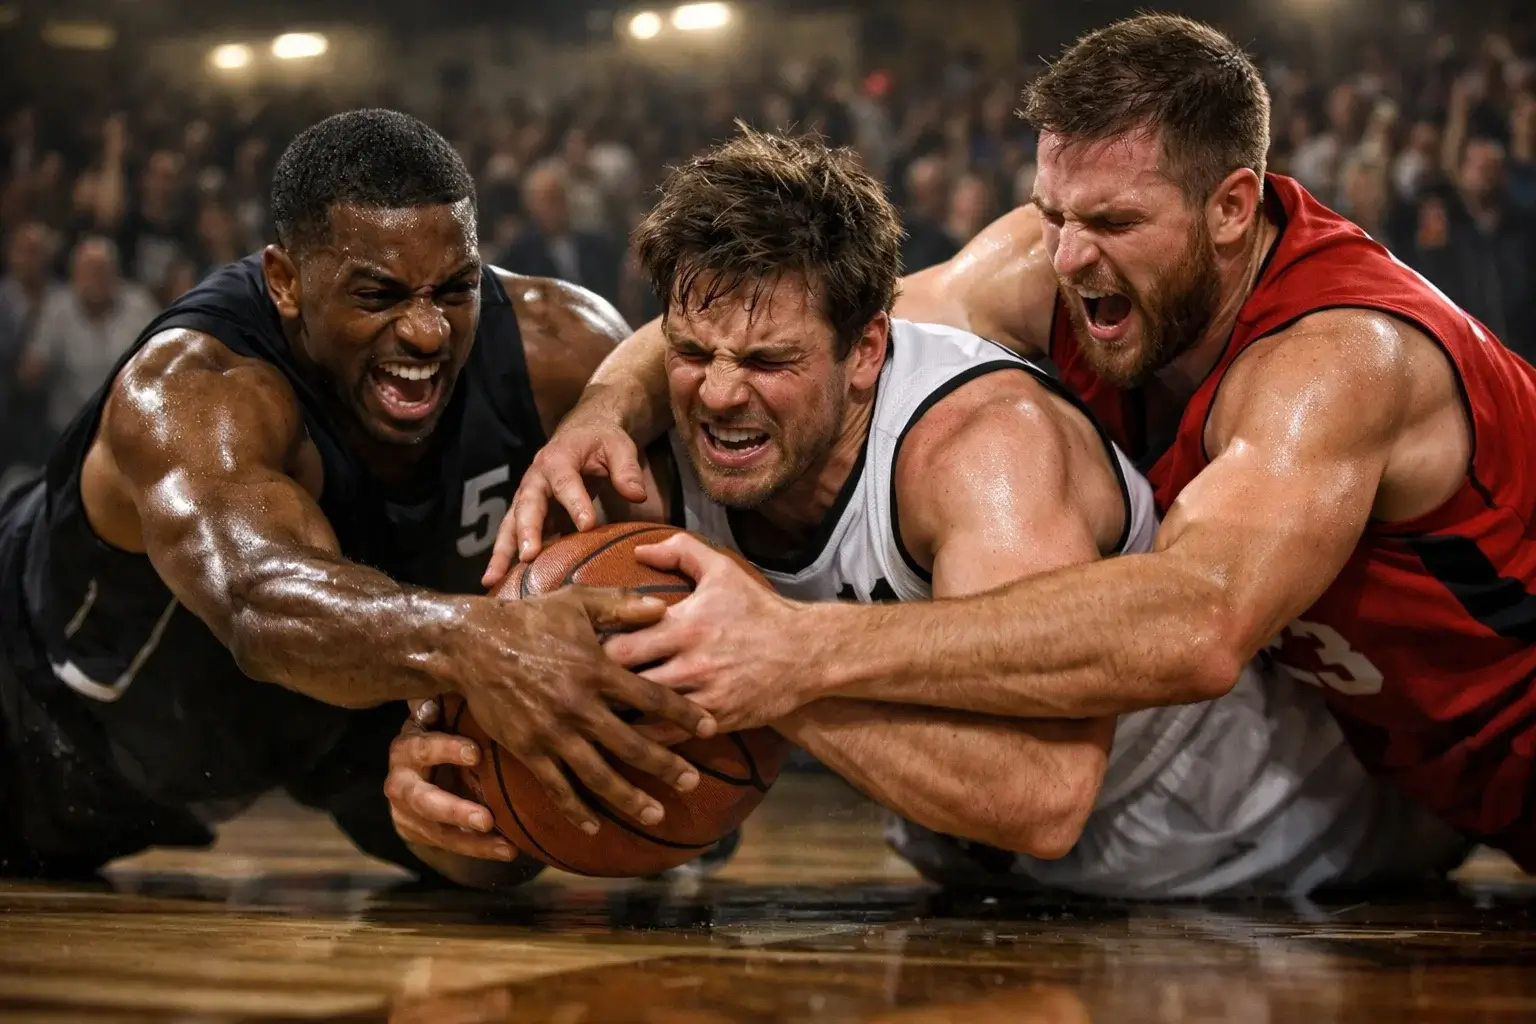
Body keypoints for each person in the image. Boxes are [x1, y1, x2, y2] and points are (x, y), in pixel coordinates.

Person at [500, 16, 1536, 869]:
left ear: (1232, 207)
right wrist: (605, 405)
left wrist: (798, 649)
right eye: (1053, 212)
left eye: (1116, 222)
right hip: (1406, 761)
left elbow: (1198, 623)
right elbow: (801, 322)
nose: (1072, 256)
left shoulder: (1340, 360)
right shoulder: (1055, 272)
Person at [0, 109, 715, 881]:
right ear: (285, 282)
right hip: (48, 725)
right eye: (379, 295)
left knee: (498, 848)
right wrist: (480, 643)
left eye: (455, 288)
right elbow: (258, 599)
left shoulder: (558, 349)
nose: (428, 332)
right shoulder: (193, 391)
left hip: (345, 710)